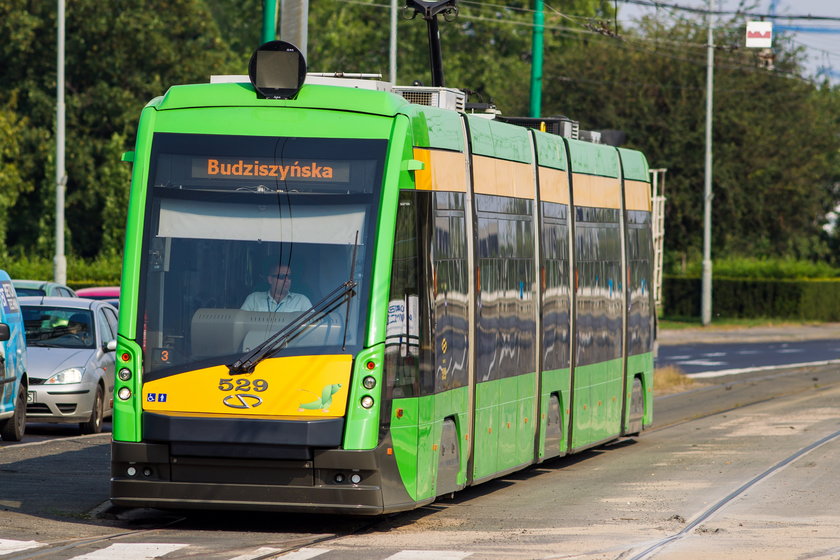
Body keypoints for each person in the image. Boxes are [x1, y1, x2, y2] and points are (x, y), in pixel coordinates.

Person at [240, 263, 312, 313]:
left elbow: (313, 328)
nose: (287, 280)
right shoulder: (254, 299)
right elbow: (240, 324)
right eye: (282, 276)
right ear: (270, 279)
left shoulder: (302, 301)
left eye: (289, 277)